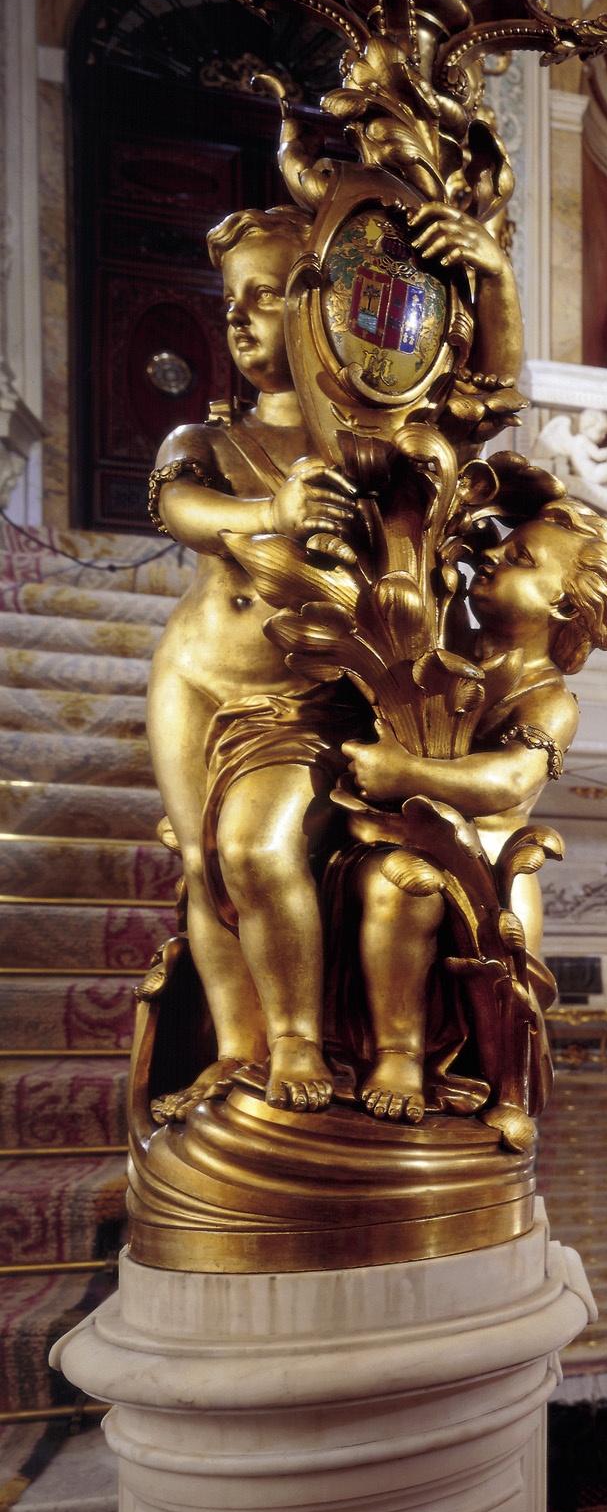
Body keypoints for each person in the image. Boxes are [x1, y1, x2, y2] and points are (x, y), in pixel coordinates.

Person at [146, 207, 363, 1116]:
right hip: (192, 679)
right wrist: (272, 517)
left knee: (255, 847)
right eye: (231, 300)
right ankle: (237, 1048)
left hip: (297, 694)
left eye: (266, 298)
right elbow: (184, 512)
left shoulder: (360, 452)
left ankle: (298, 1040)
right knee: (202, 861)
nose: (238, 319)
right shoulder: (202, 440)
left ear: (319, 314)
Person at [343, 498, 607, 1134]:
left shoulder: (552, 700)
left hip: (489, 869)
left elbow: (508, 780)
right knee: (389, 880)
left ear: (560, 603)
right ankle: (388, 1047)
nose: (493, 557)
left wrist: (404, 773)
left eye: (519, 558)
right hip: (403, 831)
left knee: (402, 889)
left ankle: (407, 1059)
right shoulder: (449, 638)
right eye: (502, 547)